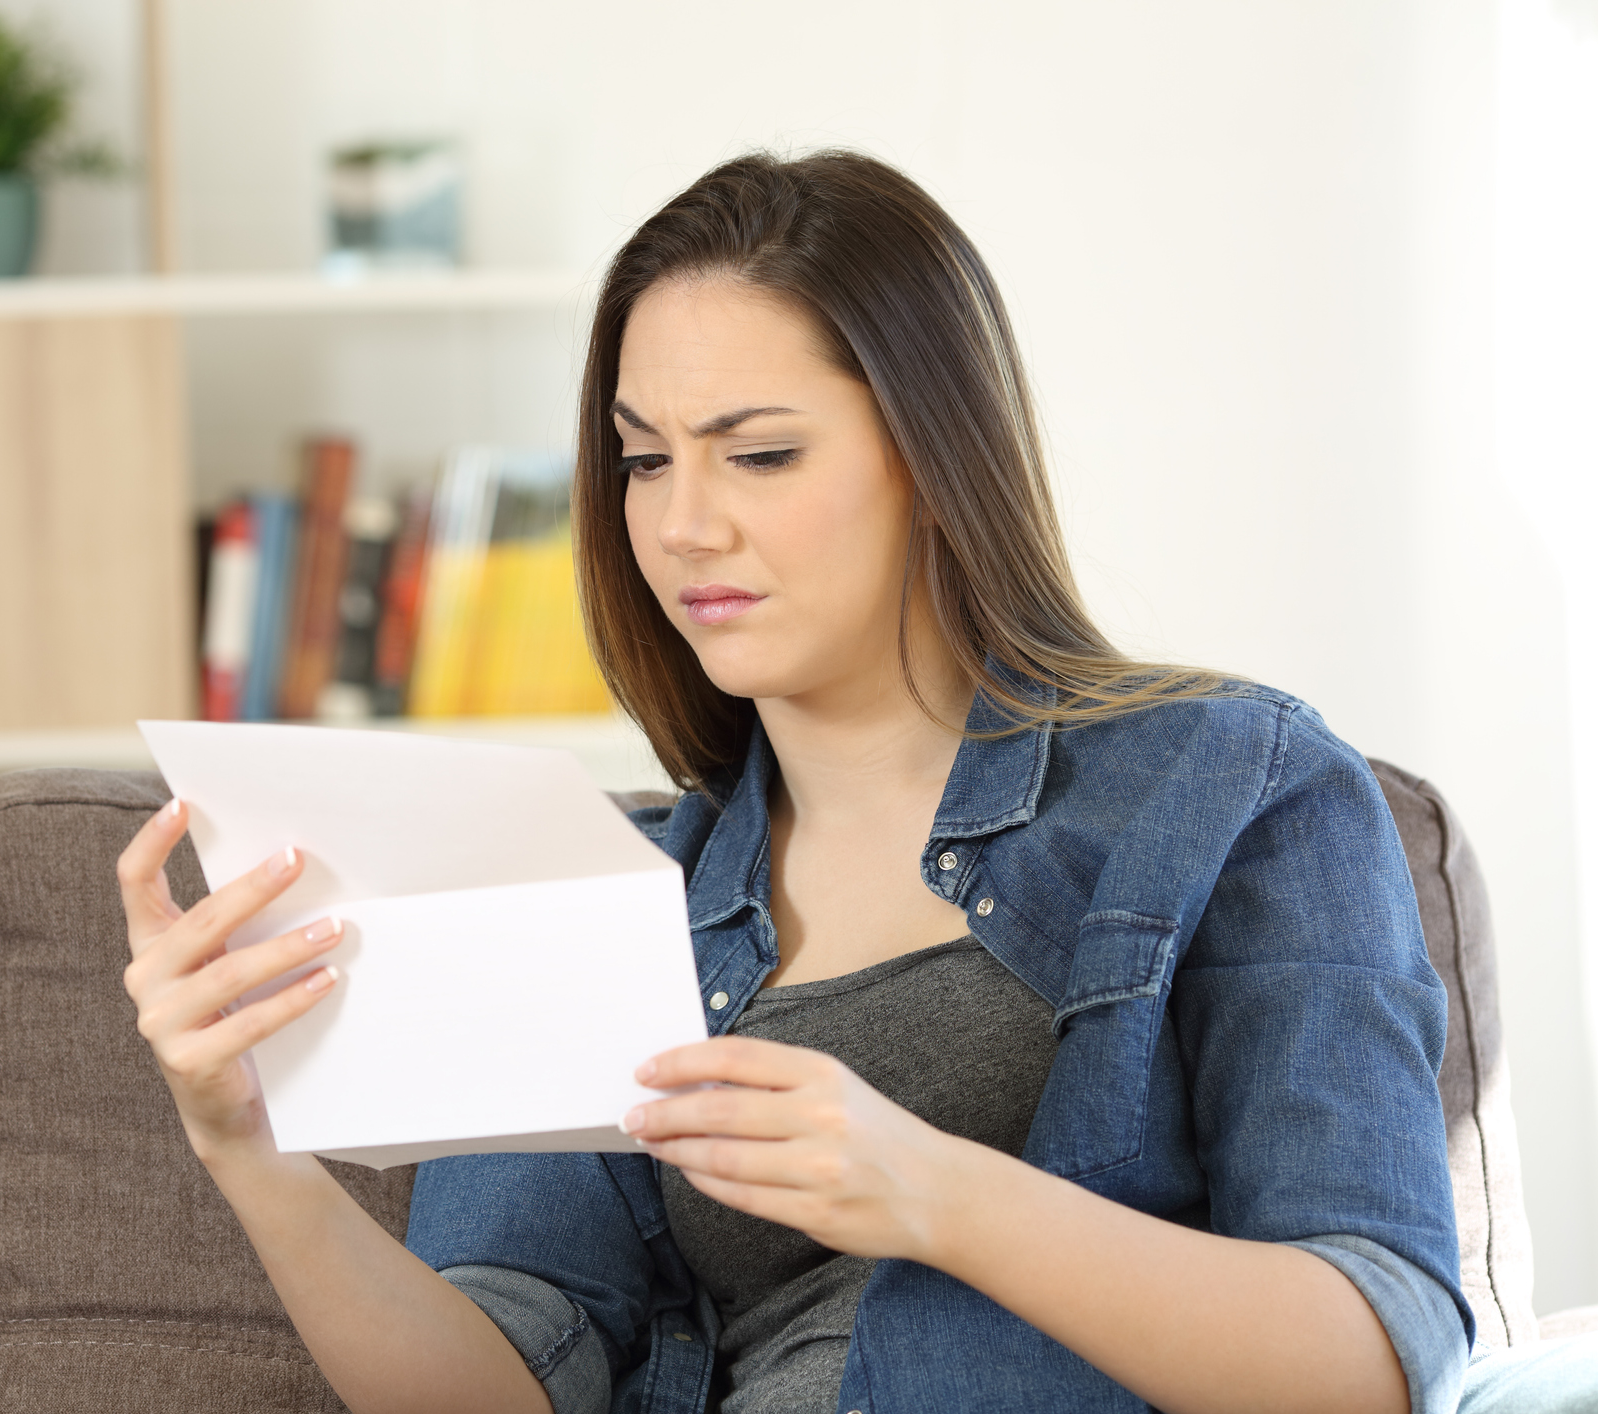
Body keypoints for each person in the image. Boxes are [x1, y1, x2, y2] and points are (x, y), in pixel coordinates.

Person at [116, 151, 1595, 1412]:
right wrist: (250, 1146)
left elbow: (1379, 1348)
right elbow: (502, 1372)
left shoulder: (1231, 785)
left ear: (931, 454)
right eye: (641, 461)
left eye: (756, 454)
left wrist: (934, 1191)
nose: (682, 525)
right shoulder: (611, 890)